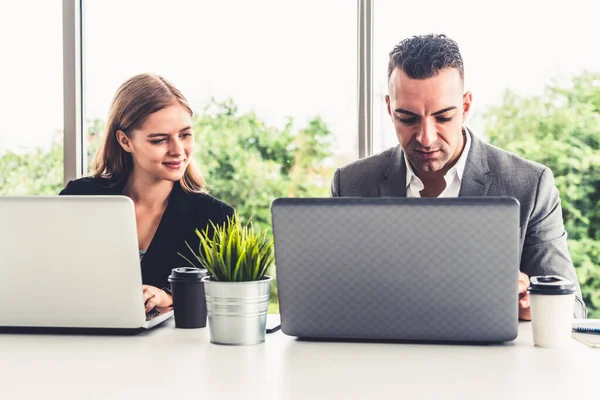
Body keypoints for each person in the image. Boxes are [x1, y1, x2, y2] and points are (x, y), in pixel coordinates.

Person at [331, 34, 586, 319]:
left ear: (465, 107)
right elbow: (333, 300)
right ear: (390, 109)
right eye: (407, 118)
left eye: (443, 117)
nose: (426, 138)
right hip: (383, 356)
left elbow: (573, 310)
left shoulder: (530, 185)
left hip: (486, 361)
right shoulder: (351, 184)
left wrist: (530, 305)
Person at [60, 73, 234, 312]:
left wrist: (169, 298)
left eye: (185, 135)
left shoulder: (215, 217)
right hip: (84, 339)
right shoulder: (80, 198)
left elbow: (229, 301)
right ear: (125, 141)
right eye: (160, 140)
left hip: (174, 348)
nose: (178, 150)